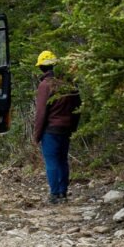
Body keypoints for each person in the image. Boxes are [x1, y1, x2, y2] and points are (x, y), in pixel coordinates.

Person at [32, 50, 82, 204]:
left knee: (52, 162)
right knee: (62, 161)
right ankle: (63, 193)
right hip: (66, 130)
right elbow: (78, 108)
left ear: (41, 68)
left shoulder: (45, 85)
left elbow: (41, 113)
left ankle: (54, 195)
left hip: (51, 130)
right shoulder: (68, 84)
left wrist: (37, 135)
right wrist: (73, 127)